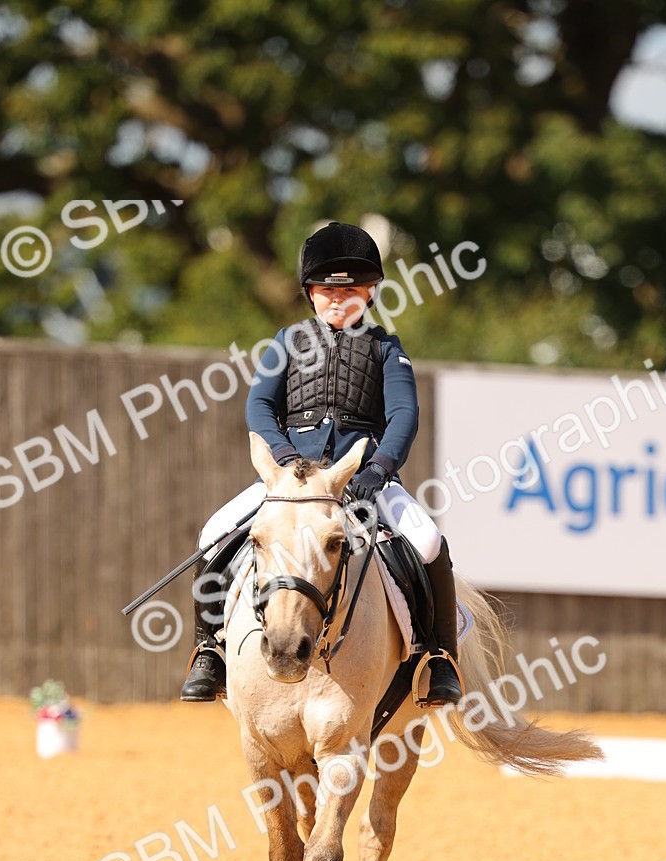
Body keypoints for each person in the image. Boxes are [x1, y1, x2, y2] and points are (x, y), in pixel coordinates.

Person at [180, 221, 463, 707]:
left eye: (351, 289)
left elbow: (403, 416)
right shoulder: (286, 342)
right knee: (214, 534)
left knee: (428, 540)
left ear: (370, 293)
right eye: (327, 290)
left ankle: (438, 657)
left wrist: (376, 472)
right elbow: (259, 408)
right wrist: (285, 458)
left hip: (362, 479)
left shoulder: (385, 348)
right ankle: (209, 649)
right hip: (291, 480)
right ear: (310, 293)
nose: (338, 298)